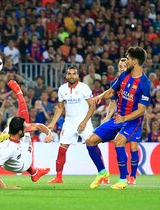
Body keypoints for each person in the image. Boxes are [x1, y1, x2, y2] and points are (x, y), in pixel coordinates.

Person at [86, 46, 151, 190]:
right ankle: (102, 172)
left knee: (119, 141)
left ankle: (123, 180)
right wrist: (98, 97)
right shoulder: (124, 75)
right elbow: (111, 92)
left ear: (134, 61)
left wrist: (125, 118)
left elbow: (141, 110)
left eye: (127, 58)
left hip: (132, 121)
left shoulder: (145, 84)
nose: (125, 60)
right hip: (117, 118)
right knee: (90, 141)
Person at [0, 80, 53, 189]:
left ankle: (34, 172)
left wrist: (49, 133)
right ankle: (19, 93)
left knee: (26, 127)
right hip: (21, 165)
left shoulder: (10, 129)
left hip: (10, 155)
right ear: (19, 131)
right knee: (27, 135)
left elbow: (38, 126)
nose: (27, 127)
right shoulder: (9, 149)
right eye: (24, 127)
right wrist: (5, 187)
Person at [47, 66, 96, 184]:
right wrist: (52, 123)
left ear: (78, 76)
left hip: (84, 120)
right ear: (66, 76)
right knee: (62, 149)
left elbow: (92, 106)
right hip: (69, 122)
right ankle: (58, 177)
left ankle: (103, 173)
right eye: (69, 74)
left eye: (74, 74)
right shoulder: (62, 89)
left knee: (93, 146)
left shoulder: (84, 88)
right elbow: (60, 107)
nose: (71, 76)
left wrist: (84, 122)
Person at [102, 58, 138, 185]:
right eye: (120, 66)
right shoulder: (116, 82)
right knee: (119, 144)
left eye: (124, 66)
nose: (122, 68)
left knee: (133, 147)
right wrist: (107, 117)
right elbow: (112, 103)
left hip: (134, 118)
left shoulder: (136, 80)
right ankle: (126, 175)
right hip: (120, 118)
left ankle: (133, 176)